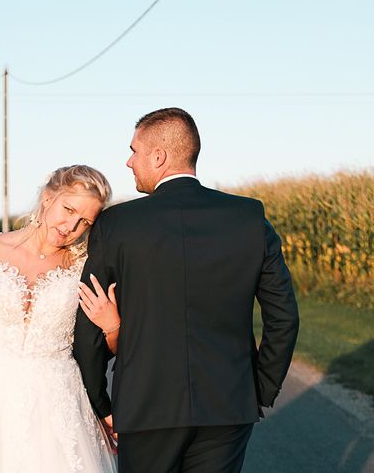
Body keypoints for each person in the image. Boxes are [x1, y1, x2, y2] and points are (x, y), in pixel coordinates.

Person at [74, 107, 300, 472]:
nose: (128, 162)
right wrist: (259, 388)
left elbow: (88, 322)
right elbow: (284, 318)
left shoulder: (117, 224)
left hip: (145, 408)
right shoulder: (249, 218)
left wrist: (102, 404)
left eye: (134, 151)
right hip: (228, 406)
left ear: (158, 156)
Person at [0, 165, 117, 472]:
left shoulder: (84, 269)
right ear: (47, 198)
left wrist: (112, 324)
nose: (71, 225)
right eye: (68, 209)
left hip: (57, 406)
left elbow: (97, 349)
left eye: (84, 221)